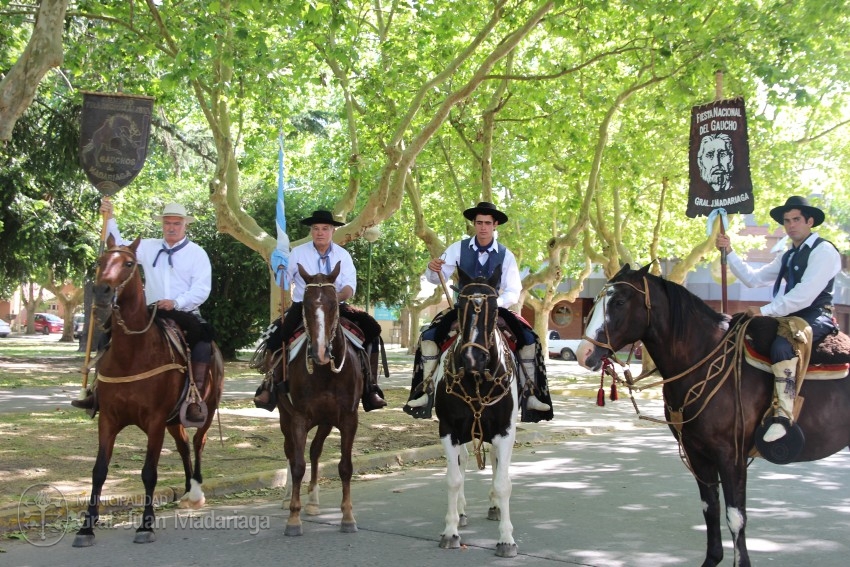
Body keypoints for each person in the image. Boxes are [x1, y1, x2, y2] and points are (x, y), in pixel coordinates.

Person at [405, 201, 552, 420]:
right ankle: (426, 390)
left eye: (487, 223)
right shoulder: (458, 248)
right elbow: (437, 278)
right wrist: (432, 268)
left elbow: (513, 291)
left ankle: (530, 393)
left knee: (529, 339)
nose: (483, 227)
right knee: (428, 336)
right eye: (479, 222)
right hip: (463, 310)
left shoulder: (506, 255)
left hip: (495, 310)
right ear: (474, 224)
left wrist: (494, 304)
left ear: (495, 226)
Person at [73, 199, 215, 423]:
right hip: (149, 312)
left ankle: (194, 397)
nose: (171, 227)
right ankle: (98, 391)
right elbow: (119, 246)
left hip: (183, 311)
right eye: (167, 223)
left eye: (176, 223)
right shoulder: (148, 247)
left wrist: (176, 302)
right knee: (108, 334)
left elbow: (202, 288)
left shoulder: (197, 254)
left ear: (185, 225)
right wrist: (109, 217)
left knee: (203, 343)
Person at [716, 195, 840, 442]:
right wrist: (729, 252)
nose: (791, 225)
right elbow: (753, 278)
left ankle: (783, 415)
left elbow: (804, 295)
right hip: (791, 316)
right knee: (744, 332)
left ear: (810, 221)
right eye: (787, 221)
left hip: (817, 315)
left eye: (796, 219)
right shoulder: (788, 254)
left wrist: (767, 310)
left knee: (783, 345)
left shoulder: (824, 251)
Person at [253, 209, 387, 411]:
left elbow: (349, 287)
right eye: (315, 228)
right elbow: (284, 282)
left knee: (372, 330)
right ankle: (269, 385)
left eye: (325, 228)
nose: (320, 232)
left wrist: (331, 299)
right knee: (277, 334)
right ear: (311, 231)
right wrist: (278, 268)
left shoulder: (343, 255)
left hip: (337, 307)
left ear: (333, 230)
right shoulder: (297, 253)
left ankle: (370, 388)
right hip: (303, 307)